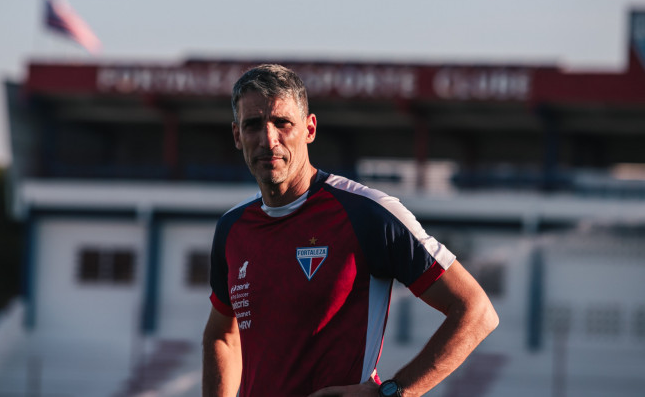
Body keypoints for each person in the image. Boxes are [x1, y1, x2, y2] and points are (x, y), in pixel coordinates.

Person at [203, 64, 498, 397]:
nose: (268, 139)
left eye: (282, 123)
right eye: (253, 125)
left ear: (309, 129)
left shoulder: (367, 213)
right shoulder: (231, 229)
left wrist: (392, 392)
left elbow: (476, 311)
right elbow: (223, 335)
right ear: (237, 136)